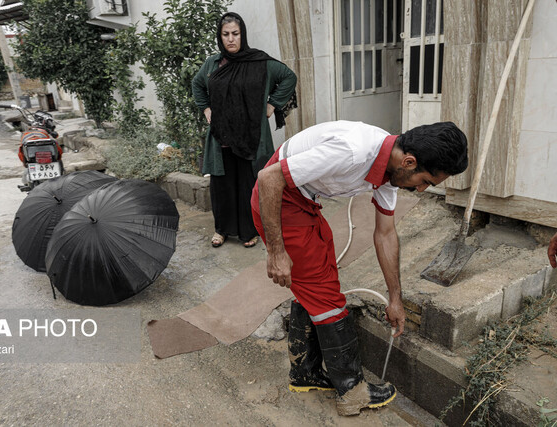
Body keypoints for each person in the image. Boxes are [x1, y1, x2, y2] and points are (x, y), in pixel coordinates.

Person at [251, 120, 469, 416]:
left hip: (304, 200)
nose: (420, 190)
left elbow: (386, 234)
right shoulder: (352, 150)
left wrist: (395, 299)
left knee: (321, 275)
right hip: (279, 200)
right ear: (409, 162)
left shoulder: (390, 172)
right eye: (425, 181)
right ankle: (352, 391)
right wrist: (277, 252)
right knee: (326, 296)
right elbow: (268, 178)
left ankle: (305, 372)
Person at [192, 12, 297, 249]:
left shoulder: (259, 63)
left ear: (243, 35)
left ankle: (249, 231)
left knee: (248, 186)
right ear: (220, 37)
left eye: (235, 34)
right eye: (225, 34)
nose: (231, 39)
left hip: (250, 138)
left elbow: (289, 78)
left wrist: (272, 105)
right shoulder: (212, 63)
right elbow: (197, 84)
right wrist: (206, 109)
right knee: (222, 187)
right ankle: (221, 230)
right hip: (221, 139)